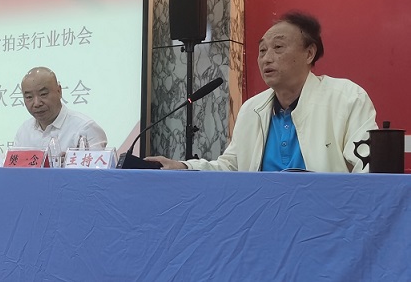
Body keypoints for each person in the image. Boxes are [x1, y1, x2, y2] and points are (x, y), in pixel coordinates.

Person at [145, 11, 378, 172]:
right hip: (263, 219)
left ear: (309, 54)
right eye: (262, 50)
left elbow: (368, 170)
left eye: (278, 47)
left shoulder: (347, 98)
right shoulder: (252, 109)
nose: (266, 58)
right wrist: (184, 166)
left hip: (326, 218)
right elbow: (232, 167)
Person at [14, 66, 107, 152]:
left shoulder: (85, 128)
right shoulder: (24, 131)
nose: (37, 103)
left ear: (59, 91)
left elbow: (96, 164)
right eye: (29, 97)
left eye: (43, 94)